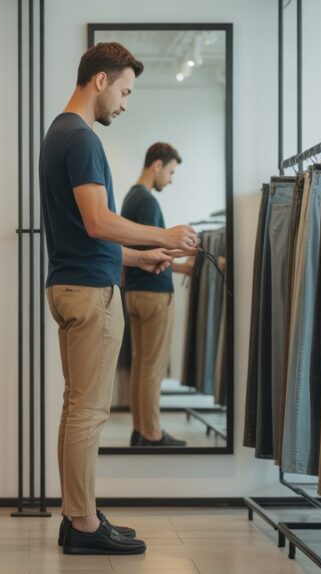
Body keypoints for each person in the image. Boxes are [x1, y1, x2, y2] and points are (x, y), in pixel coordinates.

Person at [40, 43, 199, 555]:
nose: (125, 104)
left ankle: (77, 516)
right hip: (89, 293)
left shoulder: (58, 133)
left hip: (70, 283)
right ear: (101, 81)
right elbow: (97, 221)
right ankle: (84, 525)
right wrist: (163, 237)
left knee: (77, 410)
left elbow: (84, 233)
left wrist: (136, 257)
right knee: (88, 412)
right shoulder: (82, 138)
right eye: (125, 92)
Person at [121, 142, 191, 447]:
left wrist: (182, 267)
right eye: (171, 172)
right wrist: (187, 254)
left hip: (135, 293)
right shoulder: (147, 201)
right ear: (157, 165)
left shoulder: (130, 198)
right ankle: (151, 434)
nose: (171, 180)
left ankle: (140, 430)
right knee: (153, 367)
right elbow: (156, 253)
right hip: (154, 296)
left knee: (141, 365)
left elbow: (143, 253)